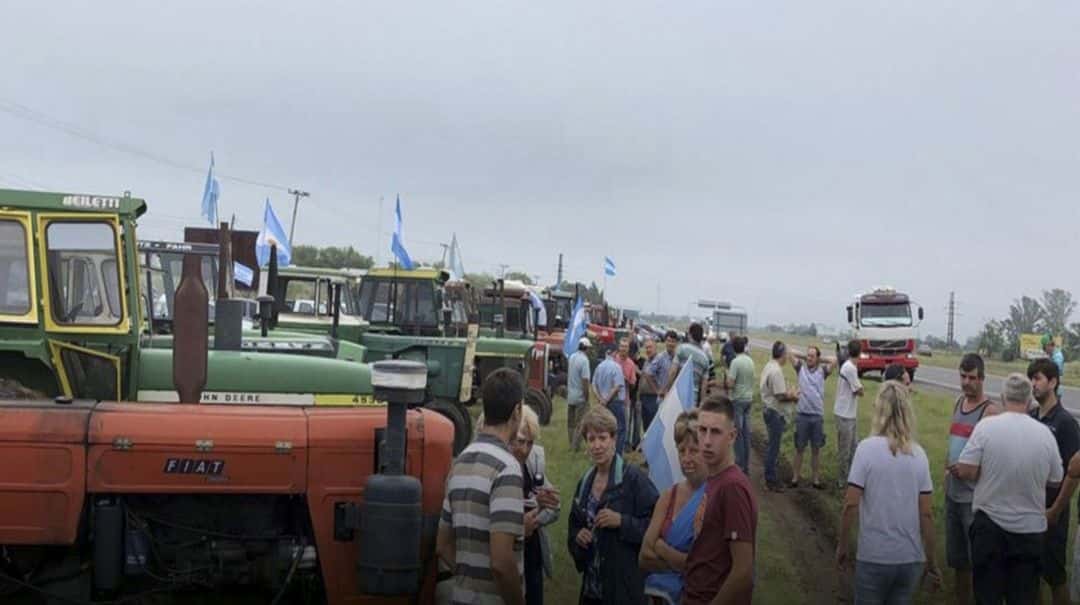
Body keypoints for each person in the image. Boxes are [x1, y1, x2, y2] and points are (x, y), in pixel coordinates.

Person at [952, 373, 1064, 605]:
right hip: (1029, 530)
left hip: (989, 528)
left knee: (987, 596)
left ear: (1003, 398)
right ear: (1030, 400)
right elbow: (1056, 477)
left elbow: (964, 468)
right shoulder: (1044, 434)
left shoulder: (986, 428)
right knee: (1023, 596)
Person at [836, 381, 942, 603]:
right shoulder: (919, 454)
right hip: (910, 558)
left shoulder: (866, 449)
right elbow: (926, 514)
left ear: (879, 410)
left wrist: (843, 545)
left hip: (874, 555)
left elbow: (850, 504)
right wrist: (932, 561)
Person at [437, 368, 527, 605]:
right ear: (517, 410)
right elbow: (500, 562)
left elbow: (443, 545)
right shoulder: (507, 468)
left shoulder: (461, 462)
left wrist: (470, 578)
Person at [568, 406, 659, 605]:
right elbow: (573, 527)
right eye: (591, 439)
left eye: (602, 438)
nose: (597, 445)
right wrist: (578, 538)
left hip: (625, 591)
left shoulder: (634, 480)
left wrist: (622, 522)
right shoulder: (584, 483)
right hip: (591, 591)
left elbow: (657, 527)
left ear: (614, 439)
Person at [683, 395, 757, 605]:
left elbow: (743, 571)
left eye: (715, 432)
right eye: (702, 430)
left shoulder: (732, 487)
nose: (706, 441)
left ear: (732, 436)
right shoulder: (715, 478)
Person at [943, 353, 1000, 605]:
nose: (966, 382)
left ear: (982, 379)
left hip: (974, 500)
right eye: (962, 376)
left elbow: (994, 461)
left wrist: (971, 471)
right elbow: (953, 442)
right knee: (958, 562)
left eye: (972, 378)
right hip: (952, 494)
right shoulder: (958, 402)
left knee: (978, 562)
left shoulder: (990, 412)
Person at [639, 410, 707, 605]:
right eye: (681, 450)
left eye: (694, 451)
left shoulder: (716, 497)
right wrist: (683, 564)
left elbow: (706, 569)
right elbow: (644, 557)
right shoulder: (668, 497)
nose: (686, 458)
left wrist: (662, 548)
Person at [1027, 358, 1079, 605]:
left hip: (1052, 510)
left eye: (1037, 379)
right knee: (1030, 573)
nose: (1033, 384)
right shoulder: (1031, 416)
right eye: (1031, 379)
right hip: (1027, 508)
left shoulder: (1066, 423)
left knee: (1055, 576)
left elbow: (1073, 474)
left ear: (1053, 382)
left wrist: (1056, 510)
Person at [511, 405, 562, 605]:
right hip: (509, 556)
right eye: (520, 441)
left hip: (532, 555)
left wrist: (534, 518)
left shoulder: (533, 464)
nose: (524, 450)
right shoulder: (498, 466)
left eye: (530, 443)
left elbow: (555, 508)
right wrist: (526, 519)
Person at [790, 345, 835, 489]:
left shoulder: (823, 371)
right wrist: (806, 356)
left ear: (818, 358)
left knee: (816, 450)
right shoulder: (800, 368)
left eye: (812, 356)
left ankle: (815, 480)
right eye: (808, 356)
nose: (809, 358)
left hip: (817, 417)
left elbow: (834, 360)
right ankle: (795, 478)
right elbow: (790, 352)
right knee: (799, 449)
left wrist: (819, 359)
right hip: (802, 415)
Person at [760, 341, 800, 492]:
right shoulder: (776, 371)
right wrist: (794, 396)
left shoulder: (769, 365)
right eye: (786, 354)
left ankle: (770, 475)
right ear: (783, 355)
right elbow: (780, 396)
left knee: (772, 445)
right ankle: (771, 479)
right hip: (774, 412)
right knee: (773, 447)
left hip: (768, 409)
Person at [834, 340, 865, 490]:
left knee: (854, 447)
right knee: (845, 450)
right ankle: (842, 481)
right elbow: (859, 391)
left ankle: (850, 478)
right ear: (859, 352)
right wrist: (861, 388)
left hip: (849, 413)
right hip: (845, 414)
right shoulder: (850, 368)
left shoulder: (849, 366)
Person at [724, 337, 755, 476]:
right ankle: (746, 466)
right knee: (746, 433)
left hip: (737, 400)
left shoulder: (735, 362)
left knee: (738, 433)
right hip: (749, 399)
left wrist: (726, 378)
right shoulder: (750, 360)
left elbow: (730, 383)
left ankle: (739, 465)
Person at [593, 346, 629, 455]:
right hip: (615, 402)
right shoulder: (616, 367)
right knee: (620, 428)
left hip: (603, 403)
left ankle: (606, 451)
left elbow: (594, 385)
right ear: (614, 353)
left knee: (606, 429)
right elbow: (617, 386)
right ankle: (617, 454)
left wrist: (600, 399)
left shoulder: (599, 367)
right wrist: (607, 399)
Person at [667, 322, 711, 405]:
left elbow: (673, 372)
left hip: (677, 396)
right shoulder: (705, 358)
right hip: (692, 400)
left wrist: (667, 390)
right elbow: (704, 385)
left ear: (690, 335)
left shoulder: (682, 349)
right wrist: (702, 402)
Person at [567, 337, 593, 452]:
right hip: (580, 397)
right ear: (586, 348)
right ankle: (575, 447)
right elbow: (585, 381)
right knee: (581, 423)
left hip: (570, 395)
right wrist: (587, 397)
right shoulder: (584, 360)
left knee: (571, 423)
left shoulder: (572, 357)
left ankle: (571, 443)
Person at [617, 337, 641, 450]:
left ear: (628, 349)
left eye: (625, 347)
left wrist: (627, 380)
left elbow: (633, 383)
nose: (623, 349)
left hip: (625, 399)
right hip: (611, 400)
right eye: (621, 346)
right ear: (619, 347)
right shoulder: (613, 360)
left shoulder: (631, 364)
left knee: (624, 425)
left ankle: (623, 446)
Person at [639, 338, 665, 435]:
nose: (648, 350)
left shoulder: (659, 361)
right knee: (646, 425)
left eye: (650, 347)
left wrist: (657, 391)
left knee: (652, 425)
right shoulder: (646, 362)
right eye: (646, 348)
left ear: (655, 348)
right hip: (644, 398)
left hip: (653, 398)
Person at [1044, 333, 1066, 398]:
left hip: (1055, 388)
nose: (1044, 351)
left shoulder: (1057, 357)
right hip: (1052, 387)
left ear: (1049, 346)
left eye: (1044, 348)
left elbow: (1054, 370)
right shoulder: (1052, 355)